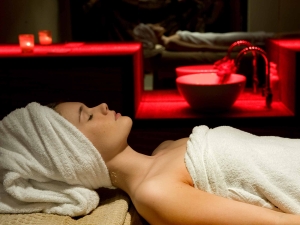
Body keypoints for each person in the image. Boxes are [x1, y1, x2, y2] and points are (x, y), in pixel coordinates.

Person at [1, 102, 300, 224]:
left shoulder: (164, 149)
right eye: (88, 115)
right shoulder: (154, 193)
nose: (101, 106)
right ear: (76, 153)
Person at [133, 23, 300, 52]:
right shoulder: (172, 42)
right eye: (151, 26)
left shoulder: (172, 38)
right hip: (222, 41)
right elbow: (203, 47)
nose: (156, 24)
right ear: (152, 34)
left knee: (267, 36)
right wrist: (228, 49)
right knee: (267, 37)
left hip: (221, 37)